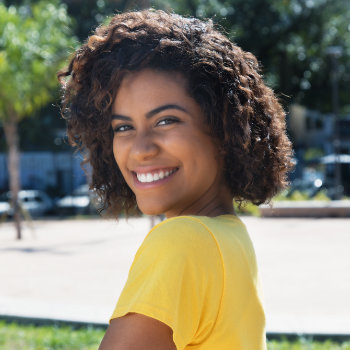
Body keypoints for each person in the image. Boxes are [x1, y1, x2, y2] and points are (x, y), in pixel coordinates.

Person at [58, 9, 293, 350]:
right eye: (123, 127)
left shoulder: (182, 241)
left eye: (166, 121)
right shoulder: (228, 236)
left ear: (222, 129)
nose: (140, 149)